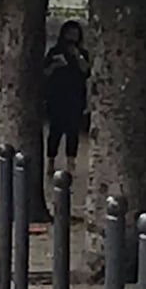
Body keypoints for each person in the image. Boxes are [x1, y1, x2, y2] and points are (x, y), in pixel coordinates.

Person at [44, 20, 91, 174]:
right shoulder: (55, 51)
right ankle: (51, 161)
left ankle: (71, 163)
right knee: (55, 131)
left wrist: (78, 56)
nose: (72, 37)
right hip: (57, 96)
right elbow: (45, 73)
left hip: (75, 97)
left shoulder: (82, 54)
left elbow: (86, 72)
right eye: (69, 33)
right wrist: (55, 65)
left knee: (73, 131)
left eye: (75, 34)